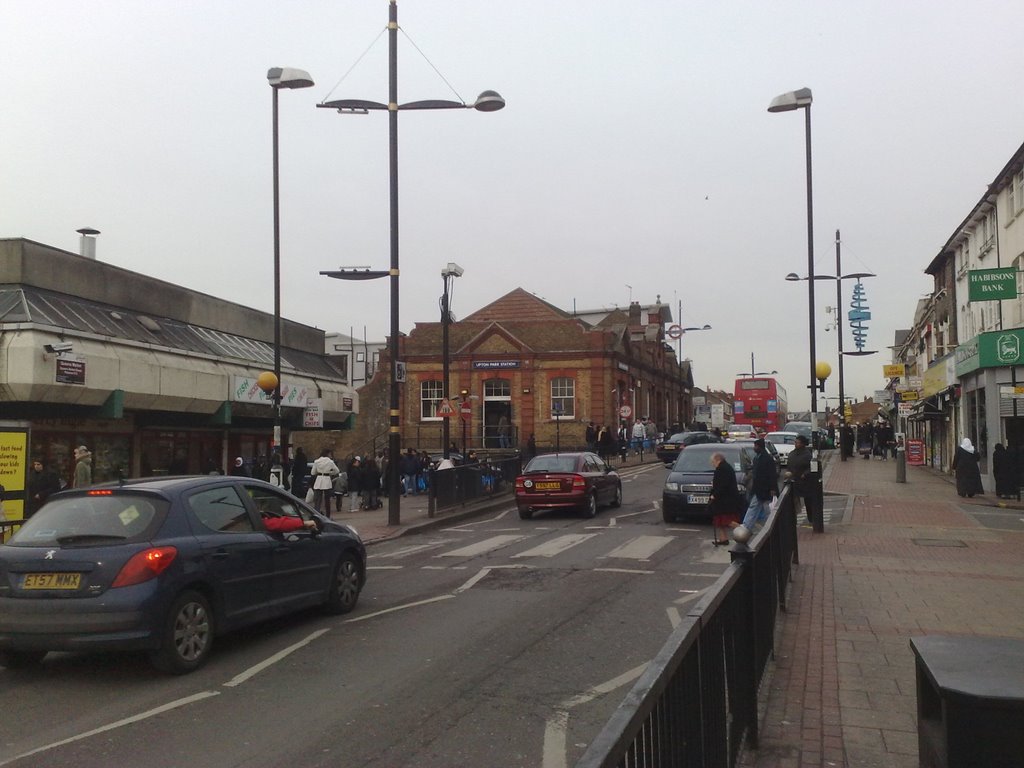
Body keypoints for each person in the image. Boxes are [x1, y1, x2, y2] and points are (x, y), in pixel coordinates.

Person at [741, 438, 778, 530]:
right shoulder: (757, 458)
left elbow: (772, 474)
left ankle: (771, 525)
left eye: (756, 446)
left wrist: (773, 488)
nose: (754, 448)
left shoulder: (767, 458)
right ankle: (747, 525)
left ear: (760, 447)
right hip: (758, 488)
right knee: (755, 507)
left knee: (767, 509)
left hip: (766, 488)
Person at [709, 452, 742, 545]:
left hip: (725, 499)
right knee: (719, 520)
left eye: (713, 461)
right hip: (724, 499)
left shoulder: (722, 469)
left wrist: (714, 494)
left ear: (718, 460)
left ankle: (743, 532)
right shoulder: (725, 467)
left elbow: (722, 485)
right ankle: (723, 539)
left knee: (727, 520)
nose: (712, 464)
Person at [785, 434, 815, 525]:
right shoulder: (792, 453)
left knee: (808, 501)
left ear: (802, 444)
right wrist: (788, 473)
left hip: (805, 482)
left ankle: (812, 519)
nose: (795, 444)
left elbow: (811, 467)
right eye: (795, 442)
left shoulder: (807, 455)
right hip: (794, 481)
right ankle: (792, 520)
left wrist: (805, 474)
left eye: (797, 442)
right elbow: (789, 466)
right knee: (792, 503)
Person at [309, 448, 340, 515]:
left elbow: (313, 472)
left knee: (318, 499)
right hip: (327, 480)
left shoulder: (317, 461)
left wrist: (319, 471)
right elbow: (337, 471)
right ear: (328, 454)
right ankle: (327, 514)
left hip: (319, 480)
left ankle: (317, 513)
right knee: (327, 499)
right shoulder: (330, 462)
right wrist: (330, 473)